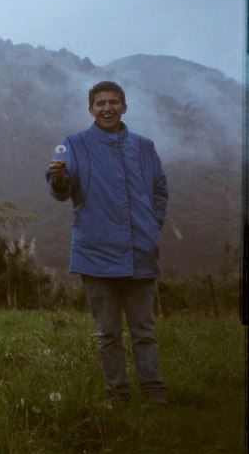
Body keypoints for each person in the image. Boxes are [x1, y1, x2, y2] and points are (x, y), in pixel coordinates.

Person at [46, 80, 169, 404]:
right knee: (108, 333)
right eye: (100, 103)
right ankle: (118, 395)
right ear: (91, 110)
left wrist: (152, 227)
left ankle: (155, 394)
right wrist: (58, 179)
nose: (107, 108)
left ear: (124, 107)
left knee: (145, 331)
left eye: (113, 102)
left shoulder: (144, 146)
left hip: (141, 252)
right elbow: (64, 191)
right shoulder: (76, 144)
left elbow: (160, 190)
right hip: (96, 253)